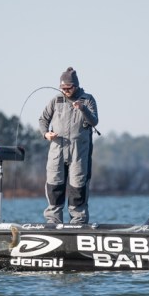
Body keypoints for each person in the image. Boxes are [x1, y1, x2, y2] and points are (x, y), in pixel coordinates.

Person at [39, 67, 99, 224]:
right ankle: (53, 222)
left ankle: (78, 221)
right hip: (57, 152)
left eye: (68, 88)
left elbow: (94, 121)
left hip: (79, 153)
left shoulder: (88, 100)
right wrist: (46, 134)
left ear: (76, 86)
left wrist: (83, 108)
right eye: (63, 88)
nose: (65, 91)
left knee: (78, 188)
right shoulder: (56, 100)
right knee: (54, 186)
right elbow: (43, 119)